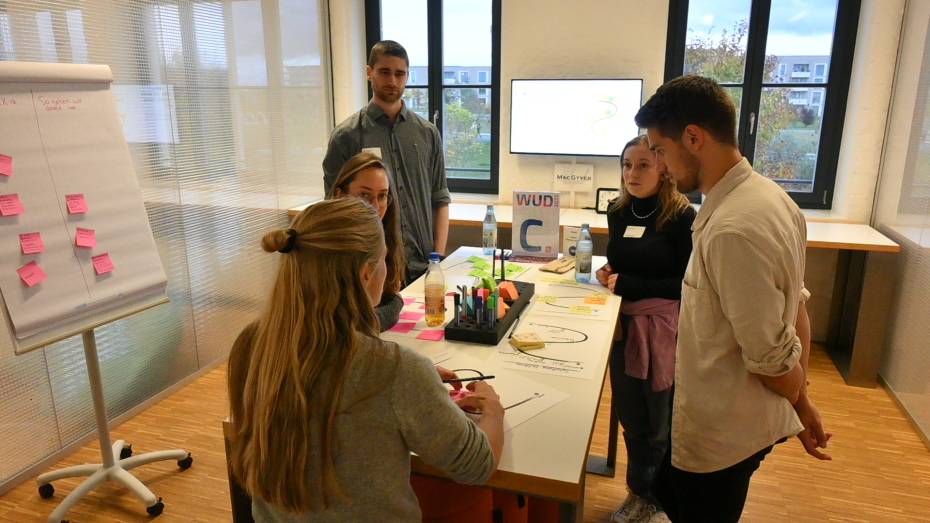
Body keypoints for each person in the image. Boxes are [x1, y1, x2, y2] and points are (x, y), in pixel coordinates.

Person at [226, 198, 504, 522]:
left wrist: (420, 385)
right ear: (366, 274)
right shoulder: (396, 370)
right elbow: (477, 465)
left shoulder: (251, 345)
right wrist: (493, 410)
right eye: (385, 259)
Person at [633, 75, 831, 522]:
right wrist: (802, 400)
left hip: (721, 437)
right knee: (665, 488)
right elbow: (797, 308)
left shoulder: (732, 228)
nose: (660, 165)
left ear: (694, 138)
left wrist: (800, 402)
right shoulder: (771, 198)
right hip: (736, 420)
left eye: (660, 151)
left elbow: (770, 358)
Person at [595, 135, 695, 523]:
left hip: (664, 332)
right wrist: (609, 273)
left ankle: (660, 498)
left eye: (642, 165)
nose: (631, 174)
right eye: (625, 165)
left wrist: (631, 284)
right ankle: (639, 493)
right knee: (631, 415)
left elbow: (688, 284)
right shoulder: (618, 210)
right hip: (623, 325)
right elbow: (620, 261)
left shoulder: (682, 216)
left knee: (659, 422)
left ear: (663, 168)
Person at [323, 39, 450, 283]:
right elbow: (334, 208)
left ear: (407, 76)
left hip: (423, 266)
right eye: (384, 72)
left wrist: (437, 258)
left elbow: (440, 198)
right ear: (369, 73)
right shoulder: (346, 136)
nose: (392, 81)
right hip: (372, 269)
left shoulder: (427, 133)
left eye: (399, 74)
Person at [327, 151, 405, 331]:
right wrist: (396, 304)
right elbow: (354, 325)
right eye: (364, 195)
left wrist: (394, 301)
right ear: (340, 195)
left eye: (382, 196)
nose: (376, 206)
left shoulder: (386, 238)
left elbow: (387, 297)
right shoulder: (329, 247)